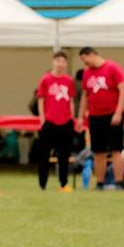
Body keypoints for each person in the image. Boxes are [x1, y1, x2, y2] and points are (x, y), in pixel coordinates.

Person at [76, 47, 124, 190]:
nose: (84, 64)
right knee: (98, 151)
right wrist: (80, 117)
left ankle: (119, 182)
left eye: (84, 60)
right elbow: (85, 96)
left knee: (116, 150)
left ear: (91, 55)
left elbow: (123, 90)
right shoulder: (87, 73)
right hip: (95, 116)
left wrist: (118, 113)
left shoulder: (113, 67)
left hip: (112, 115)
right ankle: (100, 182)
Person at [36, 51, 76, 191]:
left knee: (64, 156)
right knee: (44, 155)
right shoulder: (45, 80)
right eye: (58, 60)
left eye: (63, 61)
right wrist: (42, 120)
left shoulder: (69, 81)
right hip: (49, 122)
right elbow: (40, 100)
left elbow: (71, 100)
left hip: (65, 122)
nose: (60, 64)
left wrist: (72, 117)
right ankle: (42, 183)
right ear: (53, 62)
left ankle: (63, 183)